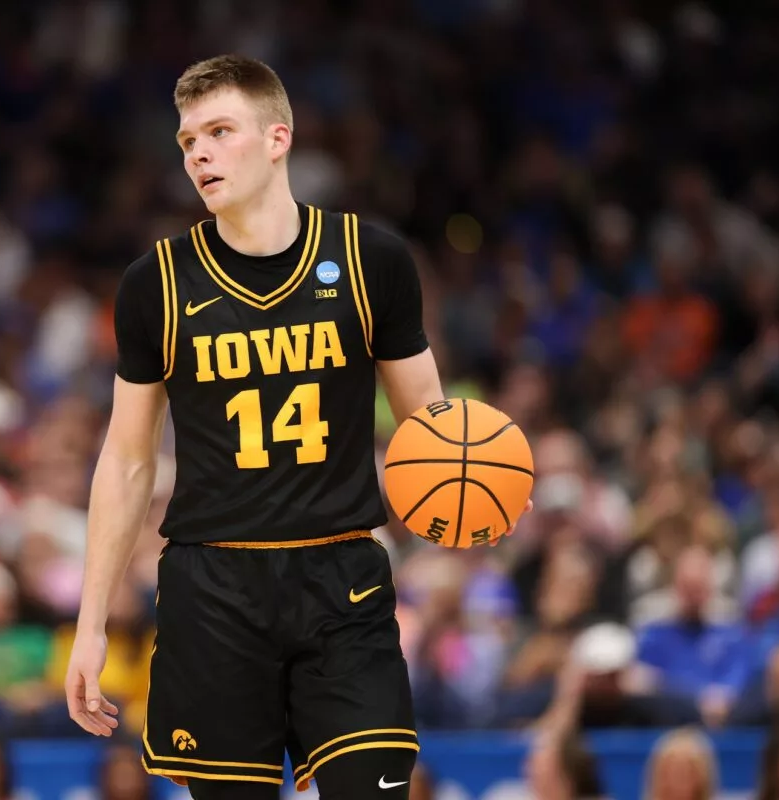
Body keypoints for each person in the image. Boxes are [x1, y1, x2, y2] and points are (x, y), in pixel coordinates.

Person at [64, 54, 528, 799]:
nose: (200, 154)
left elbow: (431, 430)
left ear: (279, 139)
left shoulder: (370, 259)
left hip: (341, 579)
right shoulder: (154, 282)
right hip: (212, 590)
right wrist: (90, 623)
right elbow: (126, 462)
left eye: (219, 131)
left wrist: (479, 496)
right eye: (188, 142)